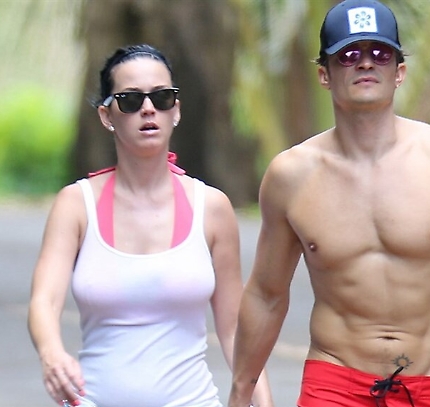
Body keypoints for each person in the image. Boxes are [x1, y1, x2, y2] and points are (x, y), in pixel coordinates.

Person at [228, 1, 430, 406]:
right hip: (333, 382)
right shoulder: (291, 175)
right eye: (349, 54)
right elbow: (267, 293)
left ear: (399, 72)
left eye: (380, 54)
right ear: (324, 75)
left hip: (425, 384)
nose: (366, 63)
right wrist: (241, 391)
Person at [28, 44, 272, 407]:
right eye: (129, 100)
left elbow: (235, 326)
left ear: (176, 111)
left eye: (161, 97)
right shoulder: (76, 205)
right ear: (106, 116)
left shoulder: (211, 207)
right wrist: (51, 354)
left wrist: (261, 401)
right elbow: (44, 301)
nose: (148, 109)